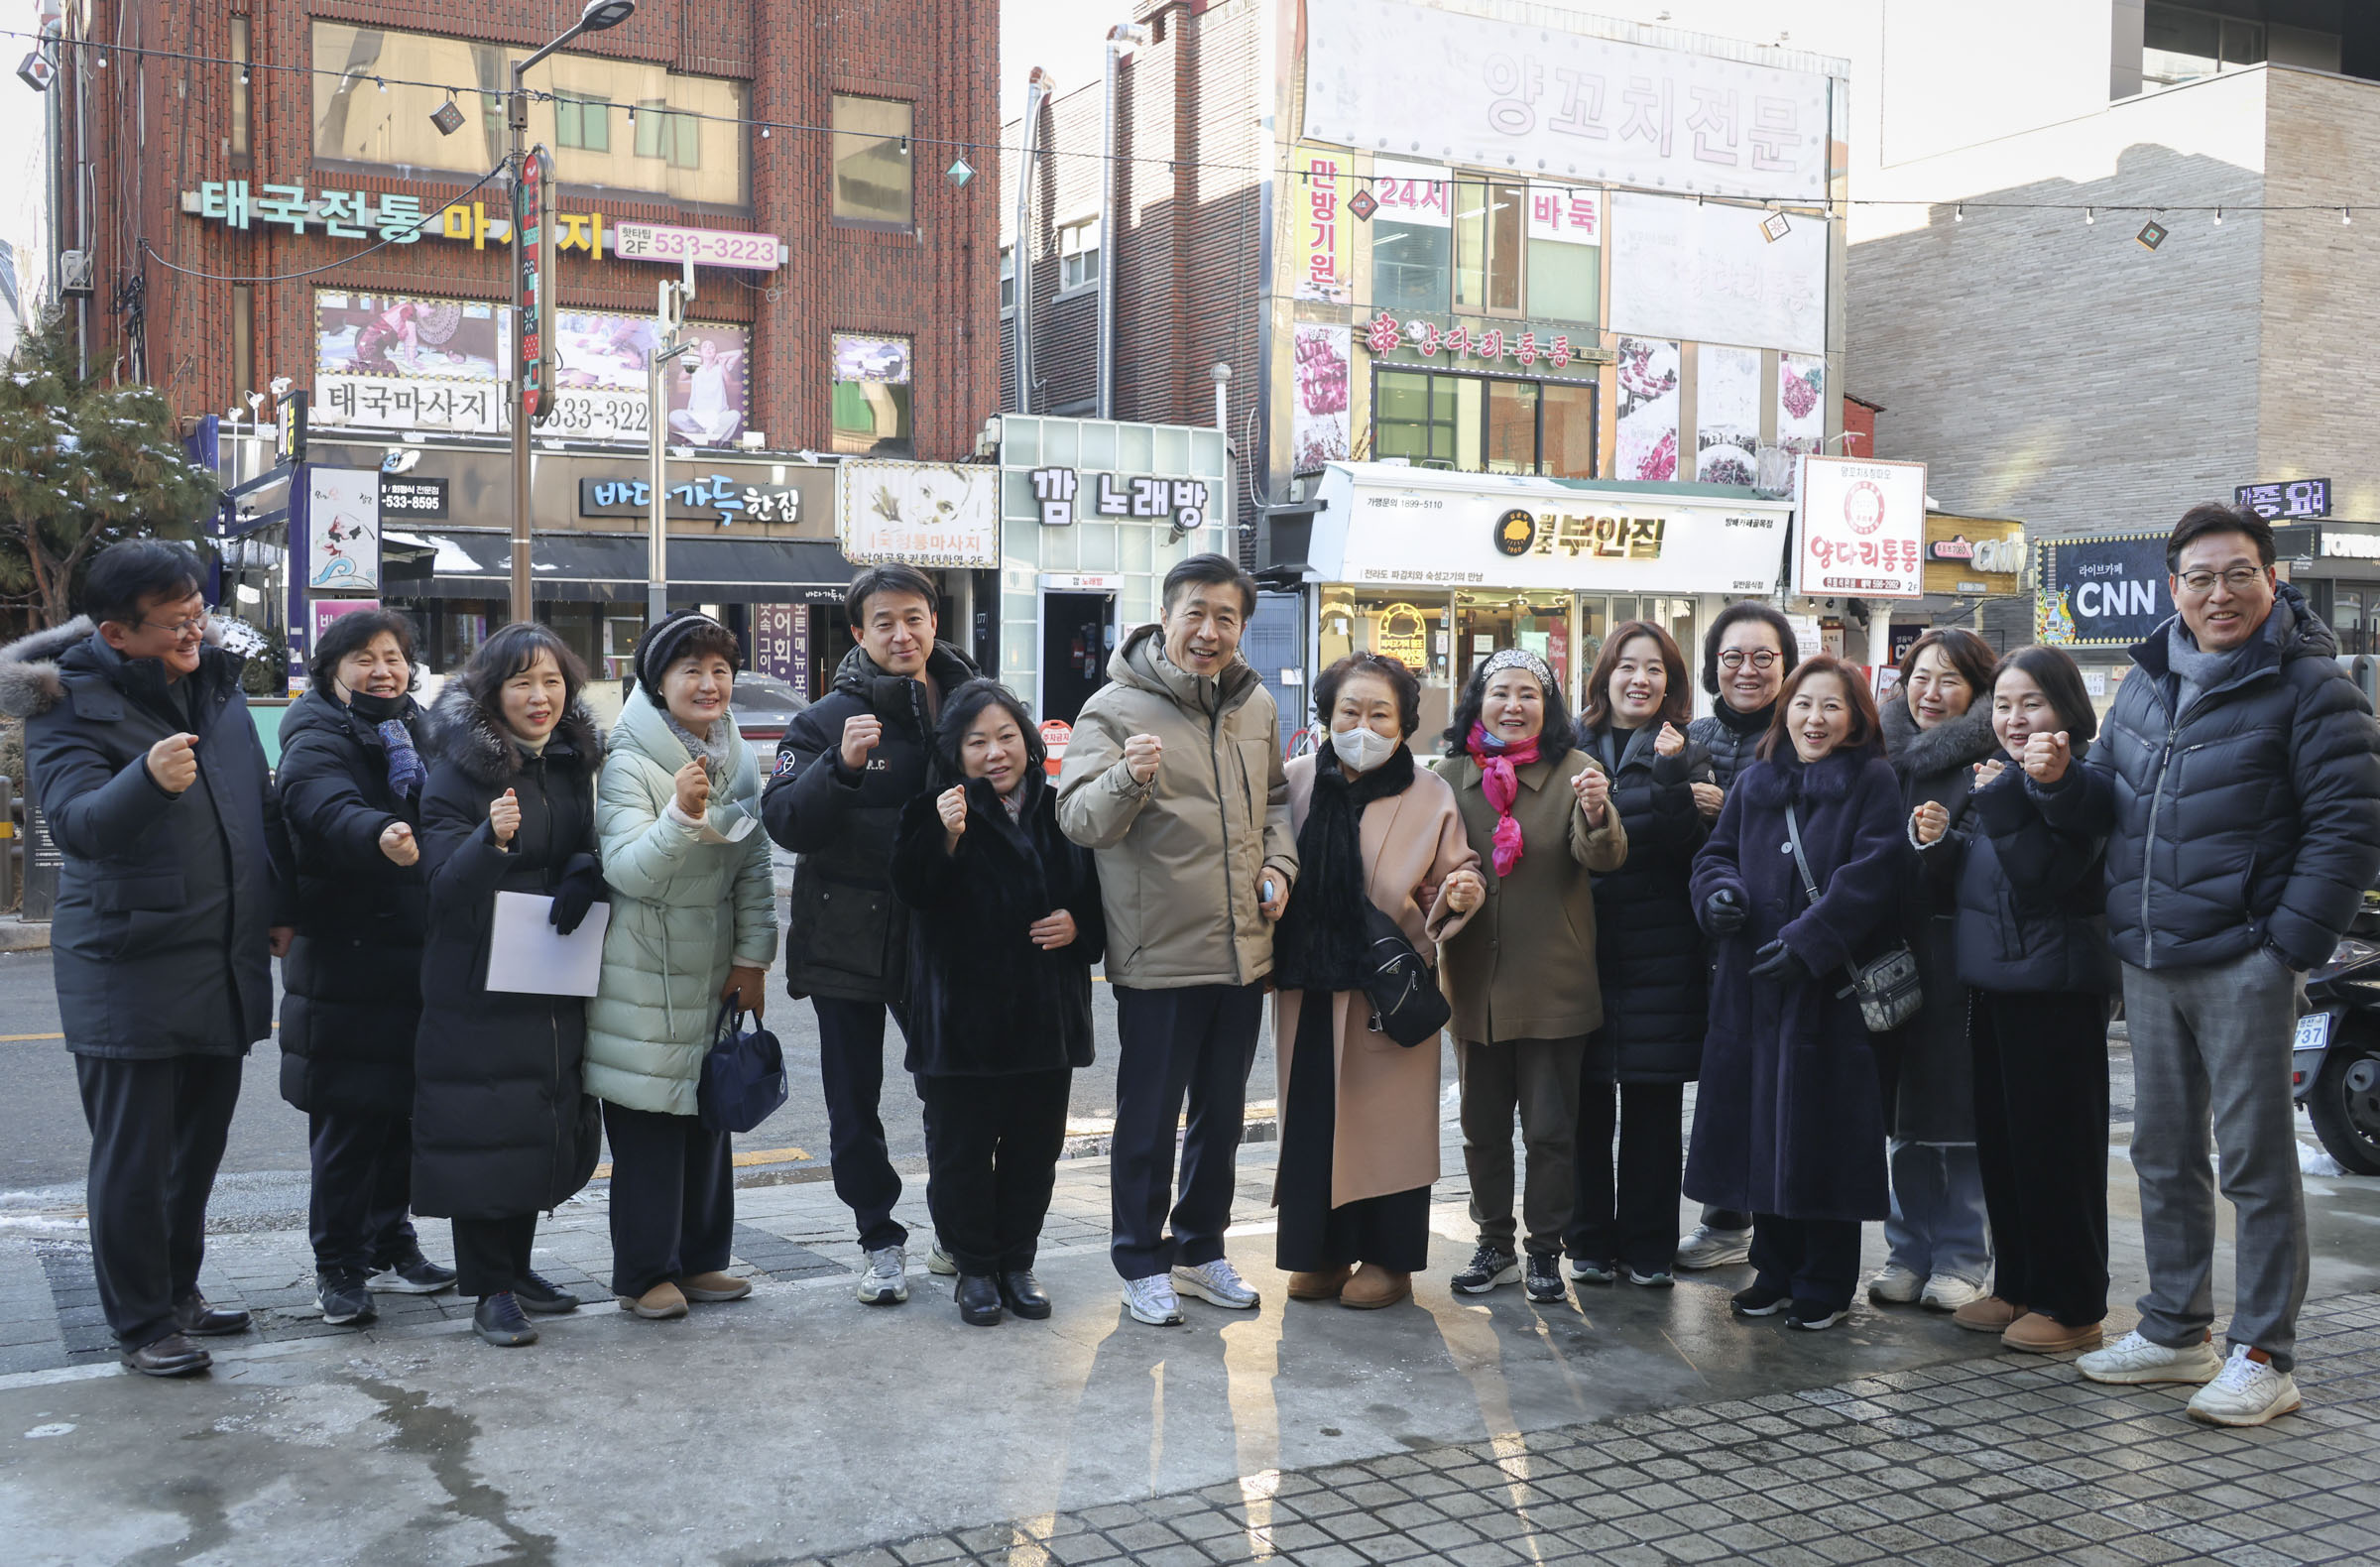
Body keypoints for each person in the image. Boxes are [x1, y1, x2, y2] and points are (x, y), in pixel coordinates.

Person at [2031, 502, 2380, 1426]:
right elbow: (2111, 795)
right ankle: (2175, 1329)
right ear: (2173, 587)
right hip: (2147, 953)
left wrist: (2285, 952)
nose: (2218, 594)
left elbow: (2349, 832)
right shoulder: (2147, 681)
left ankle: (2265, 1352)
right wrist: (2060, 780)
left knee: (2257, 1164)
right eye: (2199, 577)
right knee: (2162, 1151)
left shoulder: (2316, 689)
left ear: (2274, 580)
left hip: (2245, 960)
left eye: (2238, 574)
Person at [0, 542, 292, 1378]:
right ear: (118, 634)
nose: (195, 628)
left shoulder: (218, 687)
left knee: (197, 1147)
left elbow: (257, 809)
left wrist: (279, 907)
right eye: (175, 621)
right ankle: (140, 1323)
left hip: (221, 951)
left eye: (198, 609)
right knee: (134, 1156)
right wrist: (148, 779)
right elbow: (80, 826)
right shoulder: (65, 704)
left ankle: (179, 1289)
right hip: (127, 962)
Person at [1057, 553, 1297, 1327]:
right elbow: (1080, 820)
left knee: (1222, 1117)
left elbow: (1277, 803)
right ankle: (1140, 1259)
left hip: (1243, 949)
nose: (1210, 630)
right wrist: (1129, 777)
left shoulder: (1254, 706)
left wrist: (1281, 867)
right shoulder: (1113, 709)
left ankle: (1200, 1250)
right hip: (1158, 954)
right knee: (1150, 1118)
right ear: (1165, 617)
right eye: (1195, 612)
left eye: (1226, 617)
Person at [761, 564, 979, 1305]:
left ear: (934, 621)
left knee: (953, 1090)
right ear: (858, 633)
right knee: (854, 1101)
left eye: (913, 617)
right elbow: (785, 819)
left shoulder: (972, 706)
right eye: (882, 622)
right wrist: (842, 767)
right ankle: (878, 1238)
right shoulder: (825, 719)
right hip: (845, 938)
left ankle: (958, 1231)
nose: (901, 633)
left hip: (943, 939)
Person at [1912, 646, 2116, 1353]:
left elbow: (2041, 876)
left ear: (2066, 708)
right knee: (2006, 1148)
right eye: (2002, 704)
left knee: (2060, 1153)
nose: (2014, 717)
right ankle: (2019, 1285)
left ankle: (2074, 1304)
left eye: (2031, 702)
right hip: (1995, 987)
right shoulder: (1997, 778)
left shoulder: (2080, 779)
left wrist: (1998, 798)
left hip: (2056, 992)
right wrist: (1940, 848)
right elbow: (1978, 881)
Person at [1689, 656, 1901, 1331]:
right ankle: (1773, 1268)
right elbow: (1715, 855)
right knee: (1759, 1131)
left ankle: (1828, 1280)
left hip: (1826, 995)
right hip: (1752, 991)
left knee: (1823, 1136)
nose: (1816, 718)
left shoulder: (1873, 780)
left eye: (1832, 706)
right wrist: (1718, 896)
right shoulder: (1756, 781)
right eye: (1804, 704)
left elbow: (1874, 873)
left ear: (1856, 716)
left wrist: (1813, 941)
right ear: (1786, 712)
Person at [415, 623, 607, 1348]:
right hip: (477, 979)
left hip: (549, 970)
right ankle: (489, 1289)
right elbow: (436, 886)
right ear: (492, 692)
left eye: (552, 681)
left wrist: (587, 868)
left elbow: (581, 843)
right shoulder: (457, 769)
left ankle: (518, 1269)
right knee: (484, 1128)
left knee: (535, 1119)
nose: (540, 697)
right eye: (522, 682)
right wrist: (487, 844)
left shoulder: (567, 762)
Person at [1270, 654, 1482, 1310]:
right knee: (1312, 1120)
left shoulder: (1429, 792)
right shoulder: (1294, 781)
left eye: (1379, 713)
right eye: (1349, 711)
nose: (1362, 725)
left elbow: (1456, 875)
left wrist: (1457, 890)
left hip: (1387, 989)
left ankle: (1390, 1262)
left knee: (1388, 1131)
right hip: (1309, 987)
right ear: (1328, 716)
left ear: (1405, 722)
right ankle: (1321, 1255)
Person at [891, 680, 1105, 1327]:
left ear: (1028, 740)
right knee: (958, 1152)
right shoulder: (933, 808)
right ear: (955, 750)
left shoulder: (1060, 809)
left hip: (1045, 1020)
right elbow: (914, 894)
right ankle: (974, 1268)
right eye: (977, 741)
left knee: (1034, 1151)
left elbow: (1097, 899)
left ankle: (1018, 1261)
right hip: (960, 1022)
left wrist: (1078, 925)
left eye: (1006, 736)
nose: (995, 753)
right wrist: (947, 838)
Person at [585, 612, 777, 1322]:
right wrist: (678, 817)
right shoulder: (628, 760)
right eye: (691, 670)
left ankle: (701, 1261)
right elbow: (627, 870)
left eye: (720, 670)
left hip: (711, 974)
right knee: (649, 1128)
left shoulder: (740, 757)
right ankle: (643, 1274)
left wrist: (754, 957)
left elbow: (754, 865)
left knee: (708, 1121)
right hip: (644, 975)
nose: (708, 683)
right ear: (658, 681)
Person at [275, 609, 456, 1330]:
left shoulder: (422, 727)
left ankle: (391, 1240)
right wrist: (378, 832)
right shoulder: (314, 731)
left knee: (403, 1115)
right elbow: (319, 803)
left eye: (394, 656)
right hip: (346, 955)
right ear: (332, 669)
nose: (383, 669)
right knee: (350, 1123)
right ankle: (339, 1266)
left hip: (415, 950)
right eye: (364, 658)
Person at [1434, 649, 1626, 1304]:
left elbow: (1598, 856)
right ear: (1478, 703)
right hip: (1474, 982)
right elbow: (1428, 869)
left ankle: (1545, 1250)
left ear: (1548, 709)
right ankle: (1494, 1244)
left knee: (1549, 1129)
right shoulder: (1448, 776)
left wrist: (1600, 813)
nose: (1512, 706)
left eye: (1528, 695)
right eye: (1499, 693)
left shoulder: (1578, 772)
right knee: (1482, 1128)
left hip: (1554, 982)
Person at [1568, 623, 1714, 1289]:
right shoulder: (1570, 746)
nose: (1640, 680)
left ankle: (1651, 1248)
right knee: (1586, 1106)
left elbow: (1694, 849)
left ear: (1672, 684)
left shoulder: (1689, 749)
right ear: (1605, 677)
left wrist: (1674, 773)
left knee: (1654, 1112)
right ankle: (1589, 1241)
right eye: (1628, 667)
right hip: (1584, 950)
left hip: (1663, 956)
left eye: (1655, 669)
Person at [1871, 628, 2001, 1314]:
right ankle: (1905, 1249)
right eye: (1920, 676)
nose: (1931, 692)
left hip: (1958, 960)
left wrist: (1942, 844)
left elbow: (1995, 865)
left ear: (1977, 691)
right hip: (1887, 961)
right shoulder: (1880, 756)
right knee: (1903, 1113)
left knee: (1957, 1114)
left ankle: (1960, 1254)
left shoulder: (1990, 759)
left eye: (1949, 679)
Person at [1676, 601, 1800, 1270]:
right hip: (1698, 931)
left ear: (1786, 665)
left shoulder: (1804, 737)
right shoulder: (1687, 737)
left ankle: (1771, 1223)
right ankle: (1725, 1216)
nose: (1746, 671)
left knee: (1770, 1078)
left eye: (1763, 658)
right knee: (1720, 1080)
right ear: (1713, 664)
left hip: (1774, 938)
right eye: (1732, 657)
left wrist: (1732, 815)